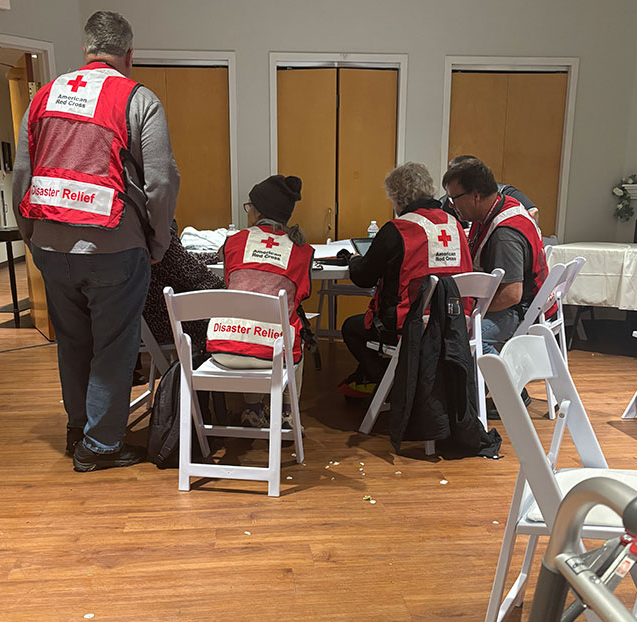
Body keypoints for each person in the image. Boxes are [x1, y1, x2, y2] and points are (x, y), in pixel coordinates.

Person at [13, 10, 179, 471]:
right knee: (114, 344)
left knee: (72, 340)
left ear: (86, 49)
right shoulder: (137, 98)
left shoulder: (44, 96)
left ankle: (78, 428)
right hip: (113, 245)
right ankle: (100, 446)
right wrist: (159, 241)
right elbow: (161, 182)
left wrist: (32, 235)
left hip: (50, 244)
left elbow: (21, 175)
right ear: (130, 54)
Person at [338, 161, 473, 398]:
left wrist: (354, 260)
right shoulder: (455, 226)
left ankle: (389, 386)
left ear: (397, 197)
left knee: (351, 328)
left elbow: (363, 278)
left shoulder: (398, 229)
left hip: (409, 326)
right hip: (453, 323)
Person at [206, 175, 313, 429]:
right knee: (295, 328)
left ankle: (253, 410)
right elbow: (301, 295)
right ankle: (288, 413)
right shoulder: (302, 250)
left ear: (257, 211)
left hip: (225, 347)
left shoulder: (234, 242)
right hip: (275, 355)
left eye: (249, 206)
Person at [442, 157, 549, 359]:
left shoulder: (504, 236)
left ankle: (507, 385)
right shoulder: (501, 205)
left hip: (517, 310)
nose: (451, 205)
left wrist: (469, 312)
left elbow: (511, 295)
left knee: (457, 335)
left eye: (454, 198)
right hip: (516, 304)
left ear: (475, 196)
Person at [143, 226, 224, 358]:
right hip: (170, 323)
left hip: (147, 321)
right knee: (223, 321)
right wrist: (232, 288)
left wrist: (215, 257)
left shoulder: (138, 232)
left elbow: (184, 259)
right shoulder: (161, 237)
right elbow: (195, 275)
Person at [440, 154, 539, 225]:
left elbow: (533, 212)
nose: (451, 204)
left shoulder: (504, 191)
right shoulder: (447, 203)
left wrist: (508, 227)